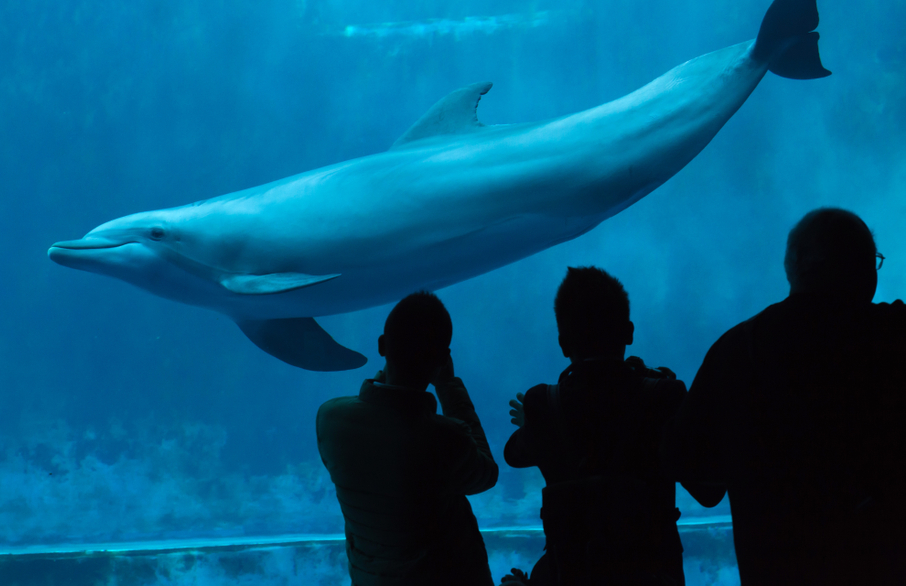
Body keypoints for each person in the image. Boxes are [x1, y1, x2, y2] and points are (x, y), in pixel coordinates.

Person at [661, 207, 906, 584]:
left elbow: (699, 478)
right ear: (865, 272)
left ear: (793, 265)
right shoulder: (893, 338)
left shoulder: (736, 351)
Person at [503, 267, 701, 586]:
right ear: (629, 332)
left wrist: (534, 424)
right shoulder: (664, 396)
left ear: (563, 343)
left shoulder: (543, 404)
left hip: (572, 574)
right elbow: (708, 490)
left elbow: (513, 454)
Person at [317, 291, 498, 586]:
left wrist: (386, 377)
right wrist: (449, 387)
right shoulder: (445, 438)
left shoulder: (330, 420)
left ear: (381, 345)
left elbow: (380, 418)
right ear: (442, 359)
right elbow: (485, 474)